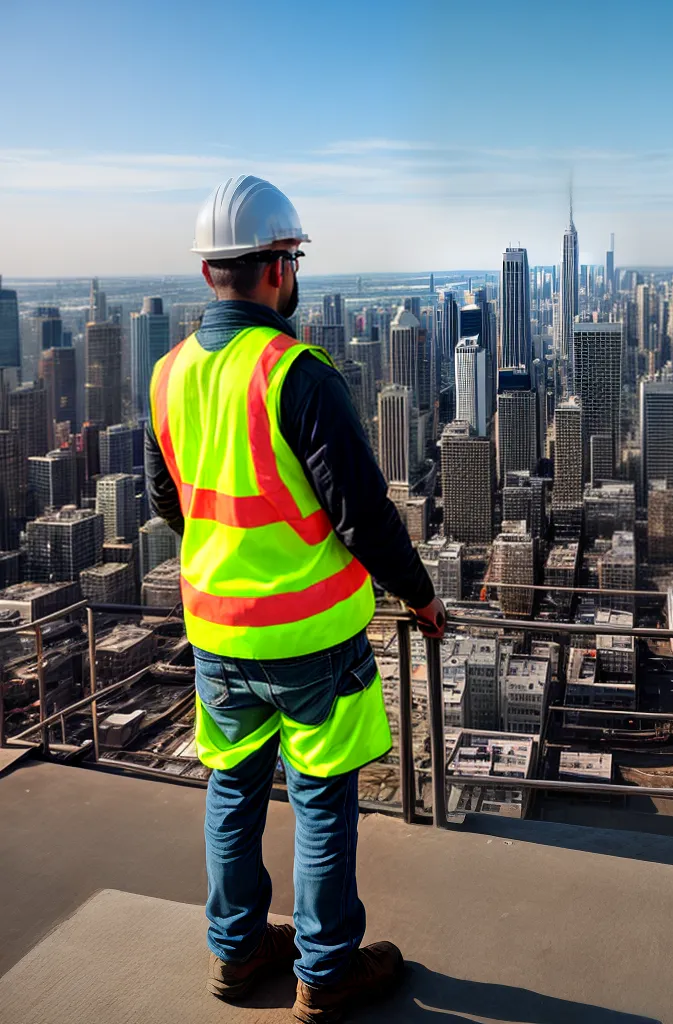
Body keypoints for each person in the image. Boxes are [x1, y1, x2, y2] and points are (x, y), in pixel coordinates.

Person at [145, 175, 446, 1024]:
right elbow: (364, 514)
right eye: (293, 259)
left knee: (232, 790)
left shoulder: (168, 375)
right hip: (310, 637)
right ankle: (325, 969)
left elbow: (168, 499)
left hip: (216, 632)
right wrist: (421, 598)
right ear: (277, 268)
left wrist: (227, 556)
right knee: (320, 801)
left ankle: (238, 952)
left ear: (211, 275)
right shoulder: (296, 373)